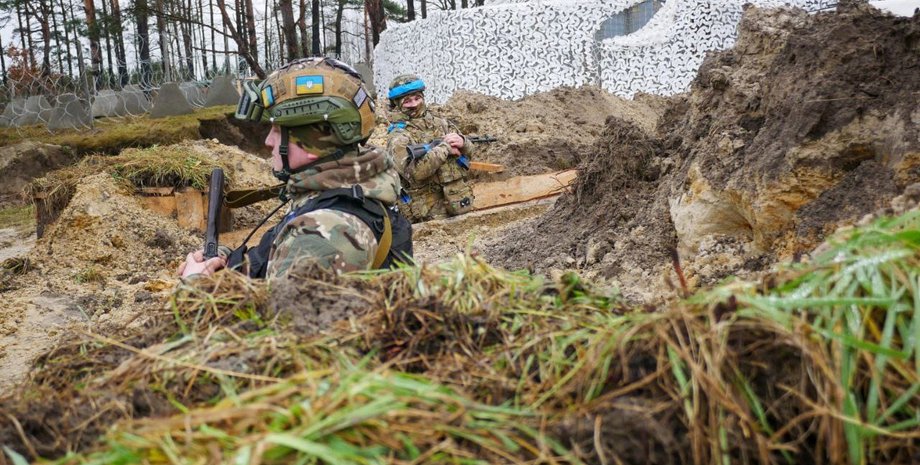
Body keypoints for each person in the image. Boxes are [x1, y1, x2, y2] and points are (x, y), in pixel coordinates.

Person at [179, 57, 412, 280]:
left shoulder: (323, 233)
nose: (269, 141)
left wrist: (195, 284)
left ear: (314, 140)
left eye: (277, 131)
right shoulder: (345, 191)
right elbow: (277, 265)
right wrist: (227, 262)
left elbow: (286, 308)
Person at [385, 74, 476, 222]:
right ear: (397, 104)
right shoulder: (398, 136)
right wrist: (445, 148)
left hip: (458, 200)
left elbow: (470, 154)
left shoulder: (441, 123)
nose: (414, 104)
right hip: (428, 213)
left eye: (417, 98)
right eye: (407, 101)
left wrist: (464, 143)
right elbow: (415, 173)